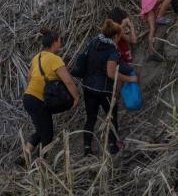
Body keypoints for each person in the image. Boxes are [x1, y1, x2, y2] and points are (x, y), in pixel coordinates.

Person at [82, 19, 139, 156]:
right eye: (119, 36)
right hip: (103, 89)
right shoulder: (112, 50)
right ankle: (113, 148)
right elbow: (111, 73)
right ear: (114, 37)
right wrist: (130, 79)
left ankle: (87, 149)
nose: (120, 38)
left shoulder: (94, 41)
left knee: (91, 118)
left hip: (88, 86)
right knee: (112, 117)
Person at [21, 29, 79, 161]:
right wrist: (76, 97)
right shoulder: (55, 59)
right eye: (59, 40)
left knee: (41, 130)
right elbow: (68, 81)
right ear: (54, 43)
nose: (61, 42)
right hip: (38, 100)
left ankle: (24, 155)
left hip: (28, 97)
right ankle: (41, 165)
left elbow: (29, 78)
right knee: (47, 134)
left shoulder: (37, 57)